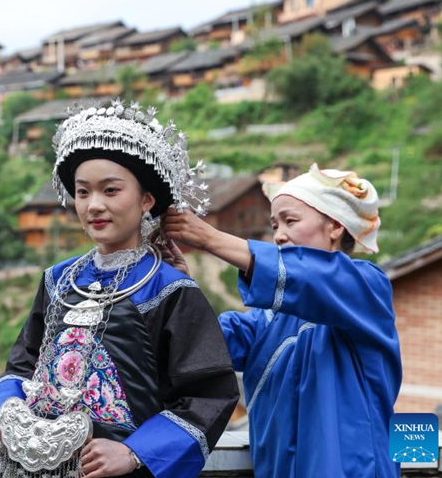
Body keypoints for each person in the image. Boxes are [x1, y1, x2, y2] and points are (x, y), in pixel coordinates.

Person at [0, 100, 239, 478]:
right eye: (83, 192)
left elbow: (208, 395)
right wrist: (5, 410)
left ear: (147, 199)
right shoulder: (58, 280)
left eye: (111, 190)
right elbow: (23, 363)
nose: (94, 206)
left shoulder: (171, 291)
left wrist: (136, 452)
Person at [160, 163, 402, 477]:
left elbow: (314, 279)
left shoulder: (367, 290)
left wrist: (209, 238)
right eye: (275, 226)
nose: (279, 236)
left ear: (335, 227)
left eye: (290, 221)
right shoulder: (265, 321)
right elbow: (205, 344)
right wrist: (182, 289)